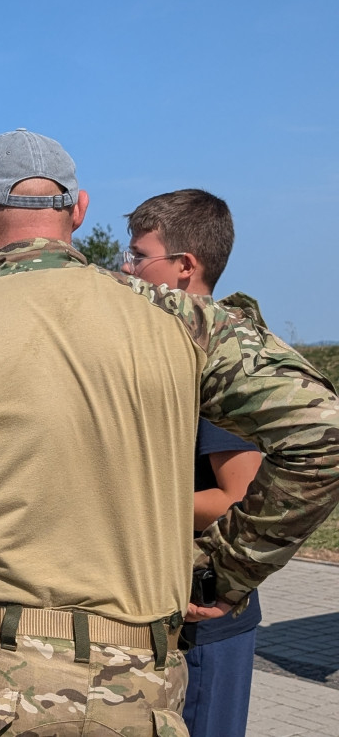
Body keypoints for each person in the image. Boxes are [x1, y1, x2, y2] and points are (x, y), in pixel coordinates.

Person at [0, 128, 339, 736]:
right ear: (79, 209)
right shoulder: (181, 321)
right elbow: (321, 432)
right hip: (140, 696)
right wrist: (232, 569)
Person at [124, 189, 263, 737]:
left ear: (185, 267)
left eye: (138, 257)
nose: (127, 269)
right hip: (158, 607)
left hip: (204, 616)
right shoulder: (168, 349)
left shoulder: (222, 361)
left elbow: (236, 496)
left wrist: (127, 505)